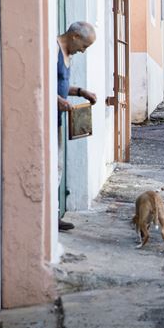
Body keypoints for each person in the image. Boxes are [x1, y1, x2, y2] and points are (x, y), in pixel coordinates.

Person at [57, 21, 98, 231]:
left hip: (58, 120)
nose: (83, 51)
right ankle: (50, 216)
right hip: (47, 119)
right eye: (84, 46)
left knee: (57, 167)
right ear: (74, 37)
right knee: (51, 167)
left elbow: (61, 86)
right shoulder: (53, 49)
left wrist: (81, 91)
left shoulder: (68, 56)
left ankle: (54, 214)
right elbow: (40, 82)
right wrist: (57, 100)